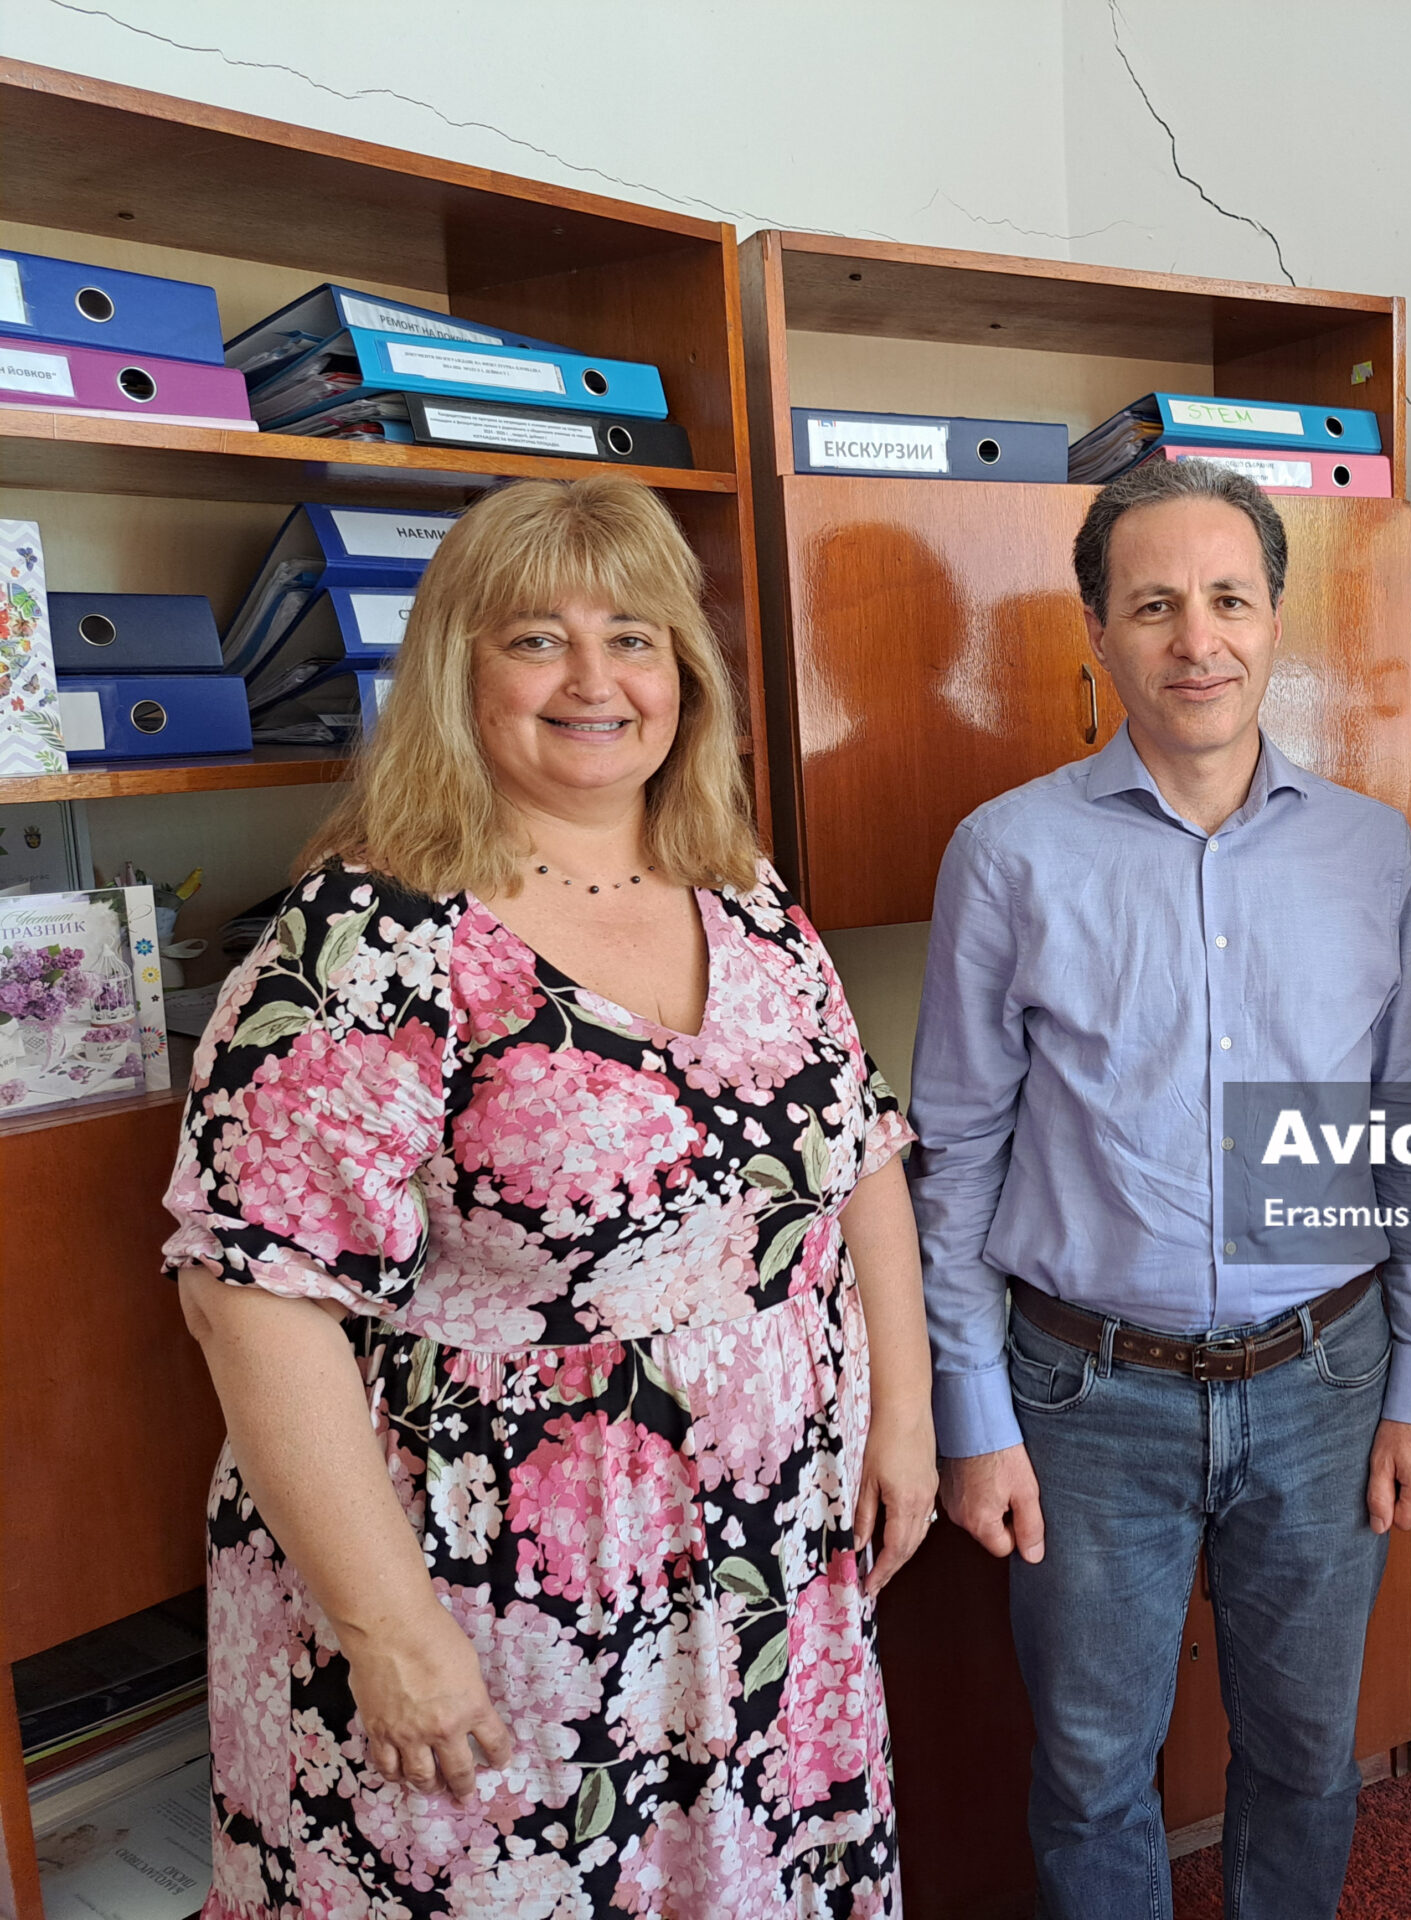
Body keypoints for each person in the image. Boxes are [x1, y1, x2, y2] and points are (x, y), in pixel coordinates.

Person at [163, 475, 934, 1919]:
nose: (595, 680)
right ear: (458, 677)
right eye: (536, 640)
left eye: (634, 637)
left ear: (683, 675)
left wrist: (904, 1418)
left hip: (763, 1556)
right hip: (493, 1589)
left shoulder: (741, 890)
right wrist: (387, 1631)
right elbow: (249, 1297)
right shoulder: (368, 936)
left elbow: (860, 1157)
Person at [909, 457, 1411, 1918]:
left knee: (1305, 1757)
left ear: (1276, 618)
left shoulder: (1368, 849)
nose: (1197, 638)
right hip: (1084, 1396)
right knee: (1093, 1770)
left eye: (1229, 598)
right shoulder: (1008, 853)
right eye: (1154, 604)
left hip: (1327, 1380)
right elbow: (956, 1152)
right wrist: (972, 1412)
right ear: (1098, 632)